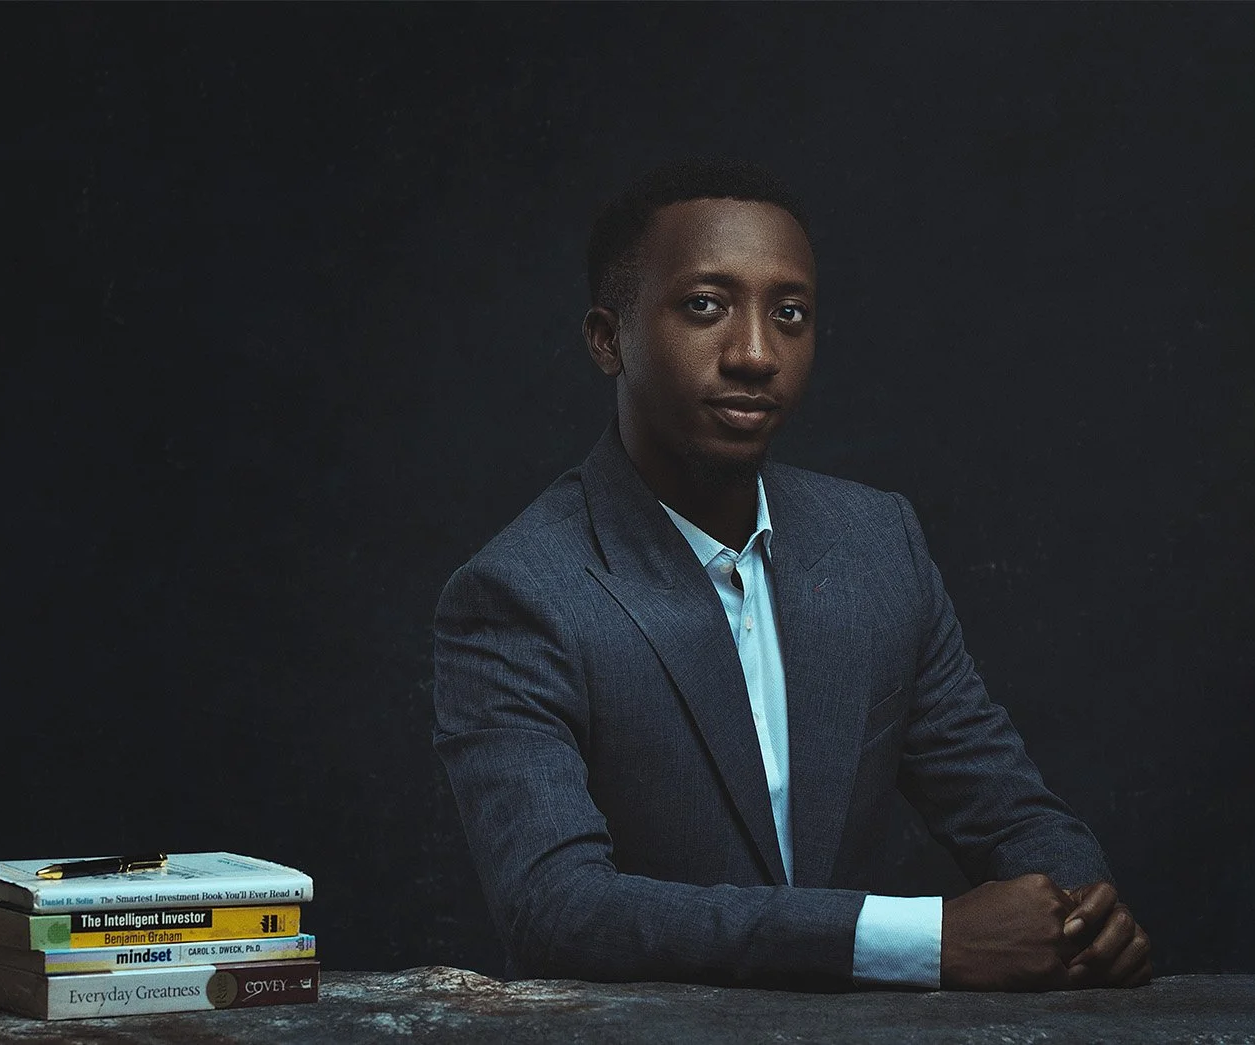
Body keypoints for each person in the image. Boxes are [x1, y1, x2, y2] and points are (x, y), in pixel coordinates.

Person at [432, 159, 1152, 991]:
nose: (754, 353)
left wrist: (1081, 913)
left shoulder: (879, 542)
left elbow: (1013, 811)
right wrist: (922, 937)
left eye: (790, 314)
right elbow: (557, 910)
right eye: (705, 307)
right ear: (607, 338)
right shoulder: (519, 593)